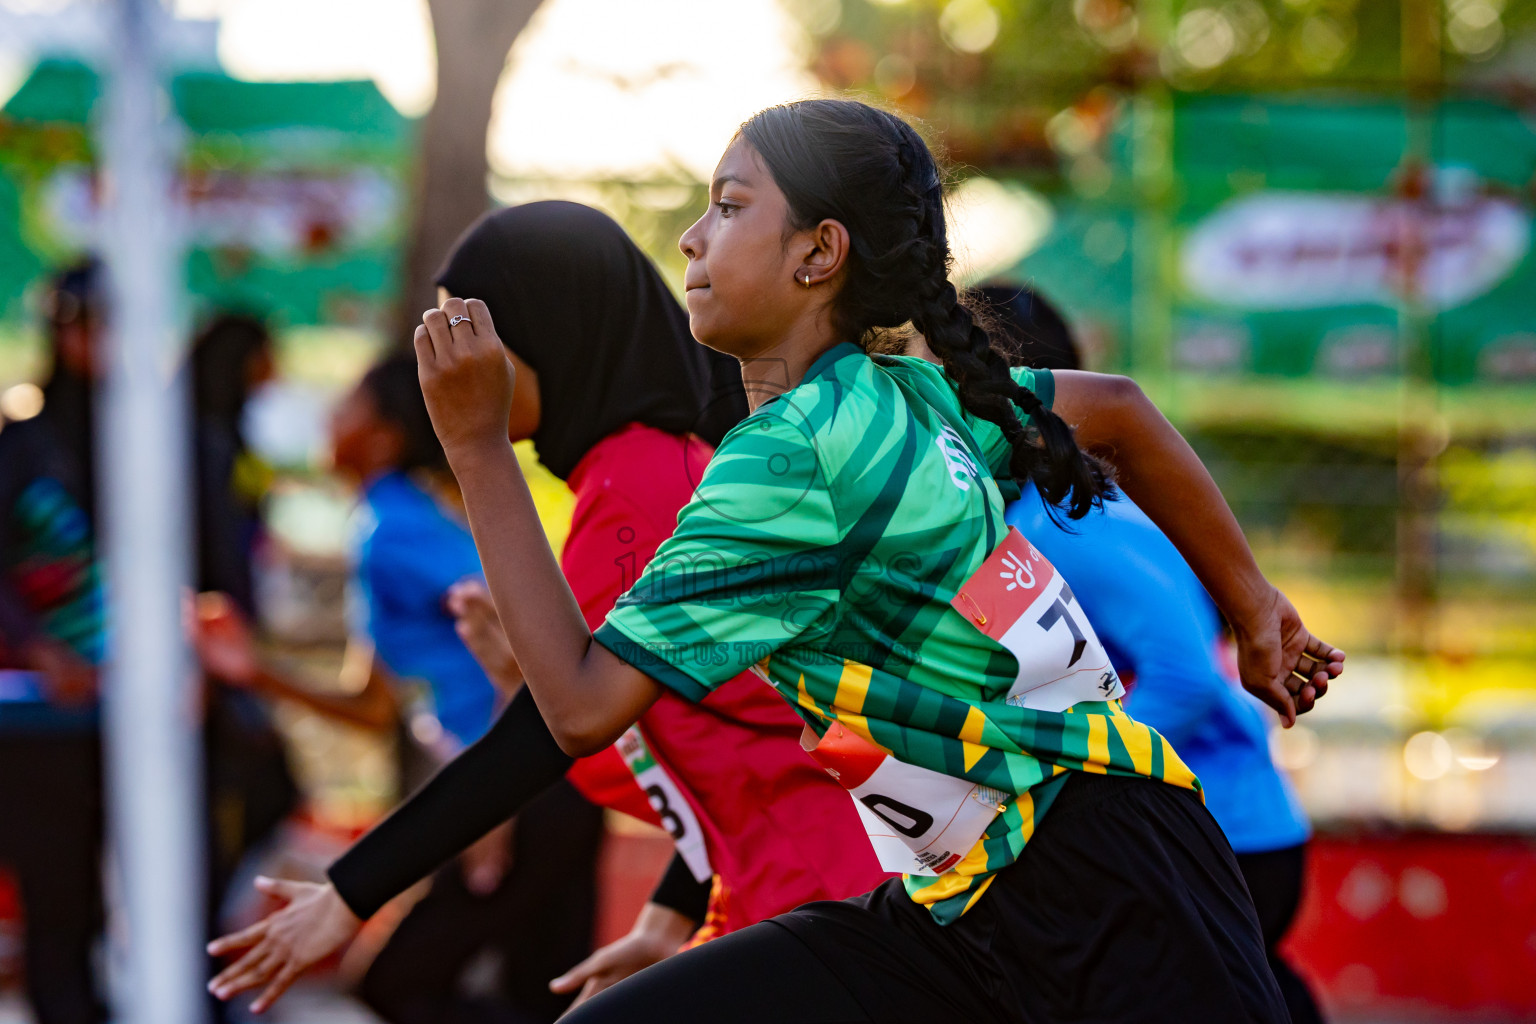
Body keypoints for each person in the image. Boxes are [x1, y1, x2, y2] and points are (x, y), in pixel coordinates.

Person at [405, 99, 1340, 1022]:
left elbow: (578, 708)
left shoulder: (790, 457)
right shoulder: (912, 396)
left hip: (1100, 883)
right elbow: (1126, 411)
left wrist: (478, 448)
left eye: (729, 207)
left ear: (819, 252)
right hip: (965, 900)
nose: (691, 238)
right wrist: (1254, 609)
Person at [207, 202, 890, 1014]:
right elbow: (735, 746)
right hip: (774, 903)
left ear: (549, 329)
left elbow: (556, 733)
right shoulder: (631, 479)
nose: (442, 364)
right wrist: (672, 916)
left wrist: (350, 893)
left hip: (824, 910)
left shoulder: (641, 492)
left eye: (463, 332)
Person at [198, 351, 608, 1024]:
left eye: (348, 405)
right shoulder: (397, 522)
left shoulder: (396, 529)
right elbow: (372, 705)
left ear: (383, 436)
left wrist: (496, 805)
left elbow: (529, 644)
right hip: (547, 785)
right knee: (547, 998)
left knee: (399, 986)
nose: (329, 419)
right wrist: (256, 670)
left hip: (531, 791)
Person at [994, 286, 1325, 1024]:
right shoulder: (1087, 504)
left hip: (1223, 834)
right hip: (1230, 827)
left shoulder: (1063, 522)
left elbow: (1185, 676)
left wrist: (1069, 781)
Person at [0, 259, 108, 1024]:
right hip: (41, 721)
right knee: (56, 901)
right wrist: (36, 646)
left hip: (140, 718)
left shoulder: (159, 440)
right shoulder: (22, 443)